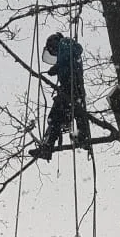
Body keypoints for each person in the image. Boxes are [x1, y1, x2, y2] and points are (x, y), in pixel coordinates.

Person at [35, 31, 92, 160]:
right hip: (75, 86)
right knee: (76, 112)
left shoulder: (65, 42)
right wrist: (58, 67)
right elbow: (69, 58)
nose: (55, 53)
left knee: (56, 116)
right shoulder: (64, 49)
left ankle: (48, 145)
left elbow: (76, 50)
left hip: (70, 85)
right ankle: (83, 137)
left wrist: (58, 66)